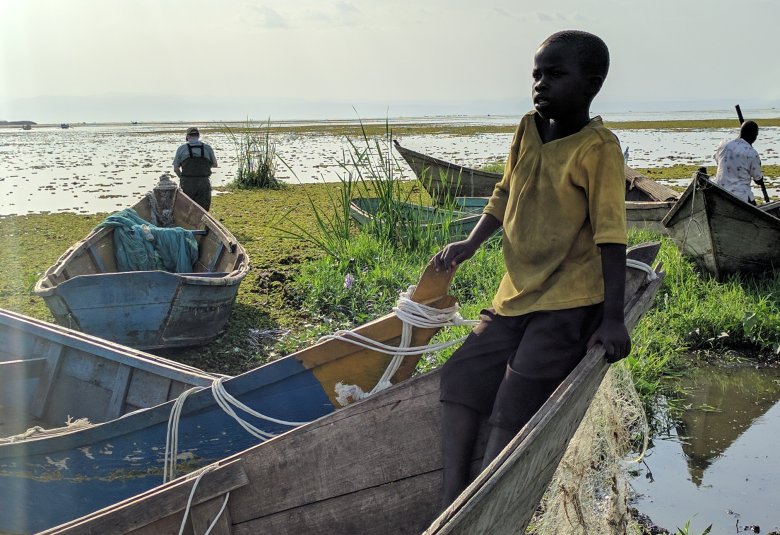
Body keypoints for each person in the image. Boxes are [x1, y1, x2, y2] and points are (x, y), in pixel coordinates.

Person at [432, 30, 630, 507]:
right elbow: (503, 193)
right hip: (516, 293)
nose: (541, 85)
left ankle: (481, 505)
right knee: (459, 377)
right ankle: (449, 495)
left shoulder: (598, 147)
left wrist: (613, 318)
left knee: (514, 400)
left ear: (592, 85)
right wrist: (473, 241)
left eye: (556, 75)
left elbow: (611, 234)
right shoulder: (527, 128)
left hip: (569, 298)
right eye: (536, 75)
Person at [713, 120, 764, 204]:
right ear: (754, 136)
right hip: (741, 196)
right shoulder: (752, 153)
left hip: (719, 192)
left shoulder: (723, 145)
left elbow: (718, 161)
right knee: (754, 207)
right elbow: (758, 179)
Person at [173, 127, 218, 211]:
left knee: (187, 209)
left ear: (187, 137)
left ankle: (188, 224)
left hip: (187, 183)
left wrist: (182, 177)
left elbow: (176, 169)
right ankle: (202, 223)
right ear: (198, 136)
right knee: (203, 209)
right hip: (203, 182)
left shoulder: (181, 149)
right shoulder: (207, 148)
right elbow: (215, 164)